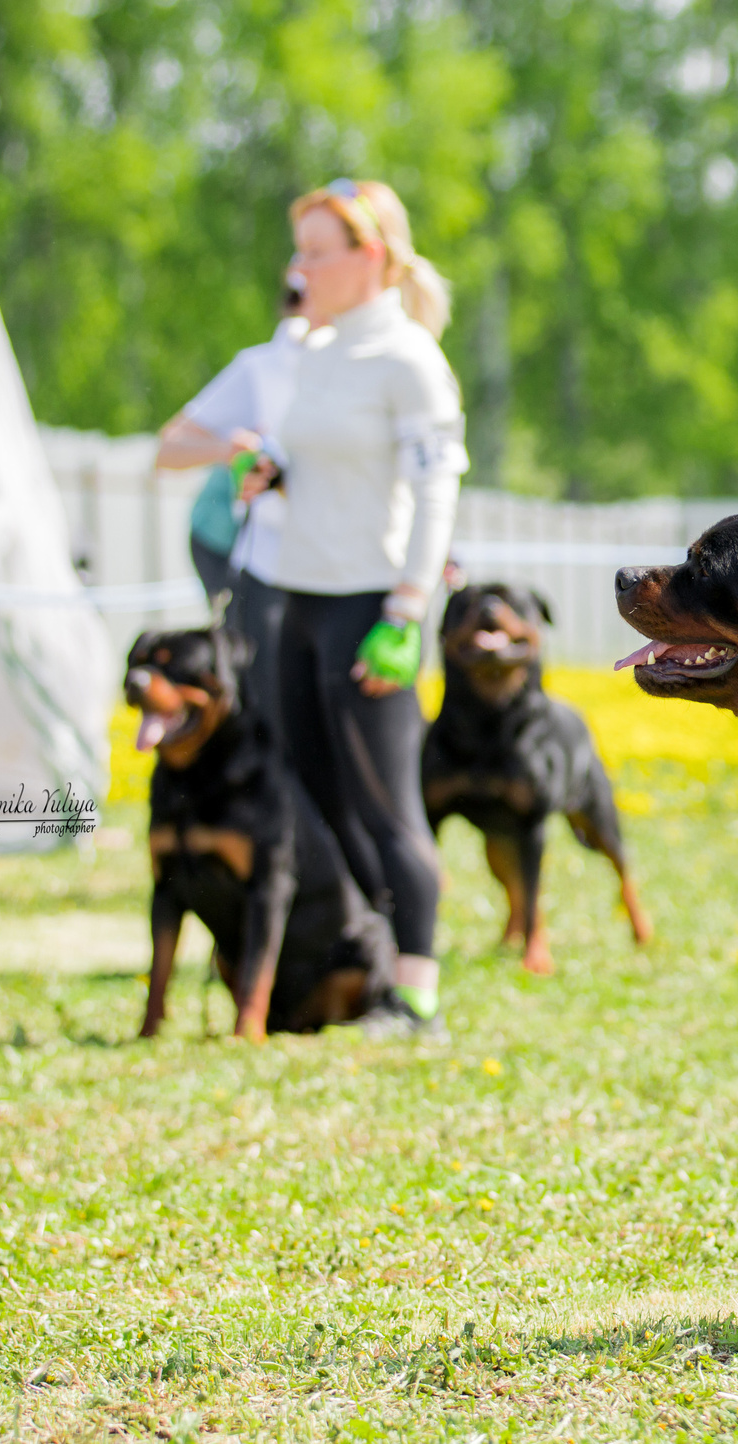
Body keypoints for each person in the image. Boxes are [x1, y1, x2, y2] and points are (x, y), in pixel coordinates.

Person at [242, 178, 466, 1041]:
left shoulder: (408, 357)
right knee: (324, 795)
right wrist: (277, 470)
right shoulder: (319, 350)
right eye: (297, 250)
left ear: (367, 257)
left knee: (388, 805)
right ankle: (373, 975)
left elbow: (435, 486)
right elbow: (332, 464)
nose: (298, 268)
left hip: (372, 605)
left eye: (313, 251)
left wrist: (407, 612)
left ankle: (418, 998)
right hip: (299, 601)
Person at [156, 289, 311, 736]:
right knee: (260, 693)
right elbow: (168, 448)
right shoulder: (264, 368)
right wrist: (230, 448)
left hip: (325, 562)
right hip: (237, 548)